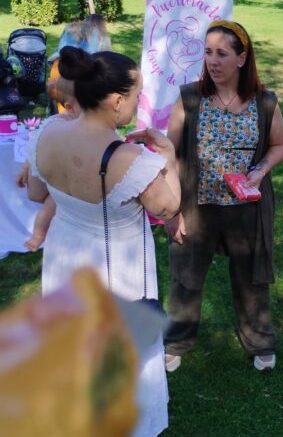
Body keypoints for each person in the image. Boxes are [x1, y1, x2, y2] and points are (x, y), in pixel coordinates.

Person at [26, 45, 181, 437]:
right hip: (116, 269)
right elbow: (167, 207)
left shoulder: (48, 130)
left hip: (65, 254)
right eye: (136, 95)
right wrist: (169, 157)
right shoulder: (127, 159)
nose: (140, 101)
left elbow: (33, 193)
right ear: (115, 102)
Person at [164, 20, 283, 372]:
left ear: (242, 58)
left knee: (252, 278)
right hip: (196, 206)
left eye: (222, 54)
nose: (213, 61)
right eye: (207, 52)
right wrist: (172, 208)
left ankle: (258, 340)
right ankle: (176, 341)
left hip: (247, 209)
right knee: (186, 277)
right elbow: (168, 154)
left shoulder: (264, 102)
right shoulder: (189, 97)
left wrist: (260, 171)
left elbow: (279, 146)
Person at [15, 76, 80, 251]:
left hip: (51, 176)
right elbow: (35, 147)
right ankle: (38, 236)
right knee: (49, 208)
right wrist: (26, 168)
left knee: (53, 207)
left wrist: (25, 168)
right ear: (70, 106)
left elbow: (33, 146)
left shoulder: (56, 121)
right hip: (54, 180)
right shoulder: (67, 126)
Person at [48, 17, 112, 113]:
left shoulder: (69, 28)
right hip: (81, 72)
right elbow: (105, 56)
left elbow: (59, 49)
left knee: (62, 108)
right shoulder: (99, 34)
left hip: (60, 68)